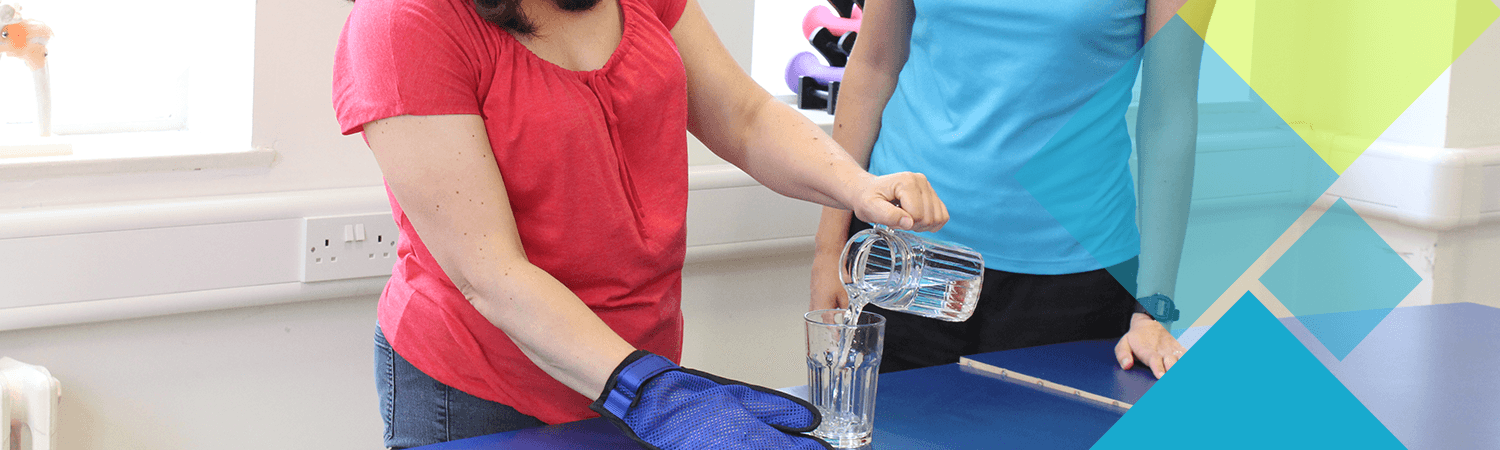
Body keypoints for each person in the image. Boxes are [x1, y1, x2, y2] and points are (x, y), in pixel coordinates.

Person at [332, 0, 949, 448]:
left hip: (636, 368)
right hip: (483, 386)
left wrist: (859, 188)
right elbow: (490, 273)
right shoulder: (402, 23)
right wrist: (651, 391)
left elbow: (744, 117)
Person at [811, 0, 1213, 378]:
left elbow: (1169, 110)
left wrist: (1154, 309)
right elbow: (874, 65)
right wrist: (829, 249)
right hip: (902, 257)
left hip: (1072, 281)